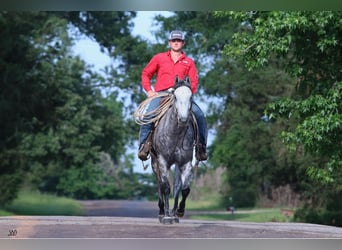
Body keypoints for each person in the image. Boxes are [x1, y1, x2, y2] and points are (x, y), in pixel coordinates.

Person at [138, 30, 208, 162]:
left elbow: (194, 81)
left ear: (183, 43)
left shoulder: (189, 62)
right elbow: (146, 73)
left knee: (200, 116)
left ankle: (201, 147)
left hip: (182, 96)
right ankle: (144, 146)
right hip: (162, 94)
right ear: (170, 43)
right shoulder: (159, 58)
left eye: (179, 41)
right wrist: (149, 90)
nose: (176, 43)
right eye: (174, 41)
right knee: (149, 115)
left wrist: (188, 94)